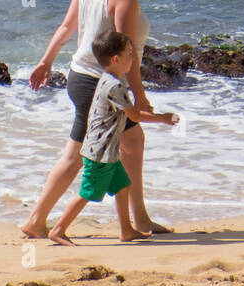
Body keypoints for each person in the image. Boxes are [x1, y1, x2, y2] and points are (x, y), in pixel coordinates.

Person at [21, 0, 171, 238]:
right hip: (101, 86)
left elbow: (66, 27)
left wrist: (46, 61)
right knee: (76, 155)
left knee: (131, 141)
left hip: (80, 77)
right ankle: (38, 221)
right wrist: (140, 98)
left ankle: (137, 221)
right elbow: (125, 52)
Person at [48, 31, 177, 245]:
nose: (133, 58)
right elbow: (133, 116)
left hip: (108, 151)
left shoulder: (110, 79)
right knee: (88, 192)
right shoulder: (114, 86)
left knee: (123, 185)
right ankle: (58, 230)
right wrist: (163, 118)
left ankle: (126, 230)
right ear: (116, 59)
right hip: (99, 152)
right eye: (129, 54)